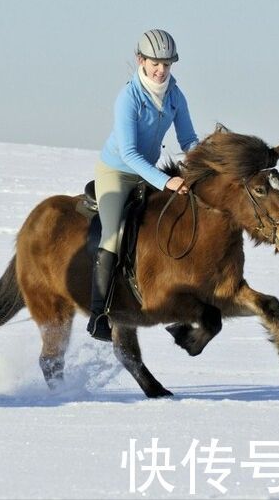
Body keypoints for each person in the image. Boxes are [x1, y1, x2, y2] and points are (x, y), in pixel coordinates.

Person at [88, 29, 199, 342]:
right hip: (117, 172)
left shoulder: (175, 95)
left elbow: (189, 139)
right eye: (155, 63)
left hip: (147, 172)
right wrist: (166, 181)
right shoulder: (129, 98)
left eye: (167, 64)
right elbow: (128, 153)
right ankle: (99, 315)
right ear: (141, 60)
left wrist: (204, 163)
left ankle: (174, 308)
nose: (161, 70)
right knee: (113, 236)